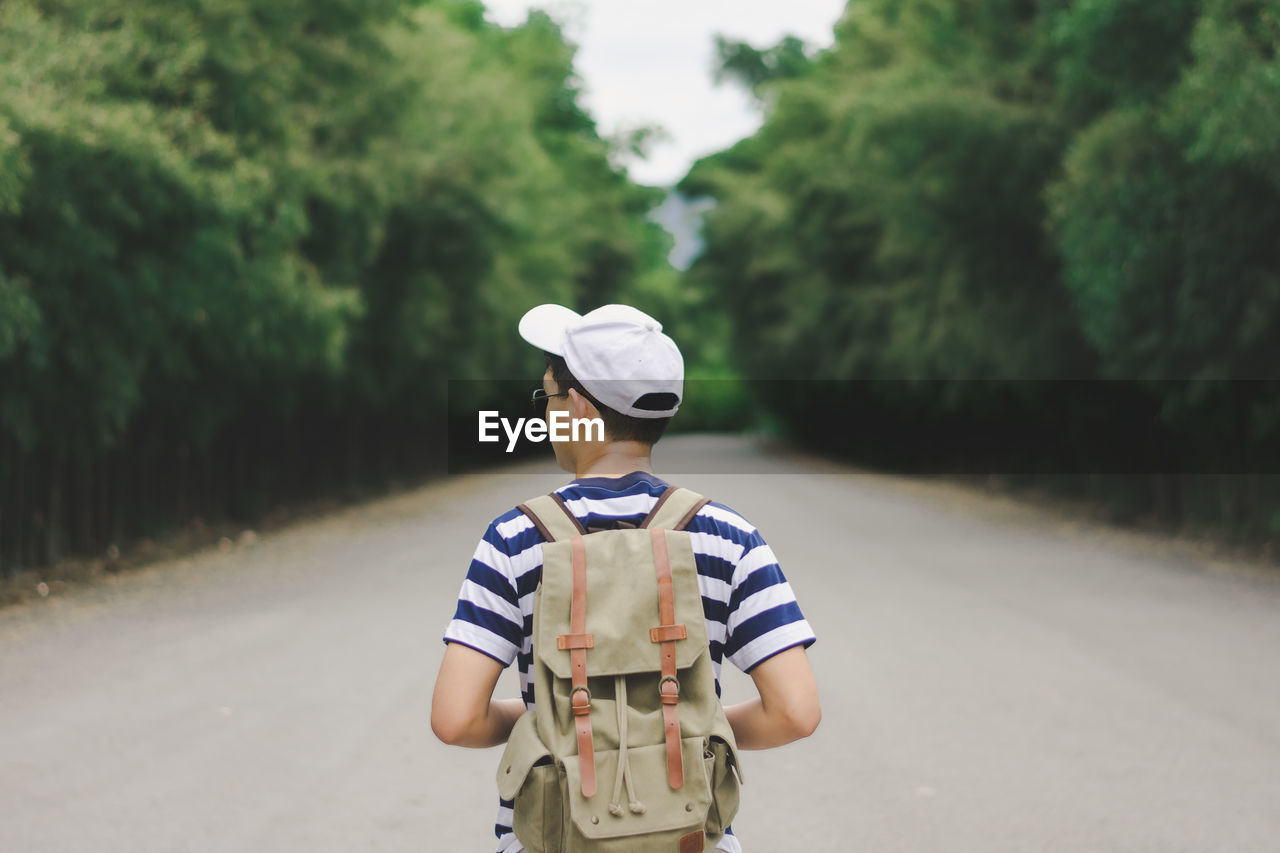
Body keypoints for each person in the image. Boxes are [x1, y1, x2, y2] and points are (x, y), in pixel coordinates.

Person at [431, 303, 820, 853]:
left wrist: (560, 715)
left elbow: (455, 718)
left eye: (547, 398)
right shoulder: (730, 536)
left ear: (582, 408)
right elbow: (796, 713)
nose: (543, 415)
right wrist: (675, 725)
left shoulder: (515, 538)